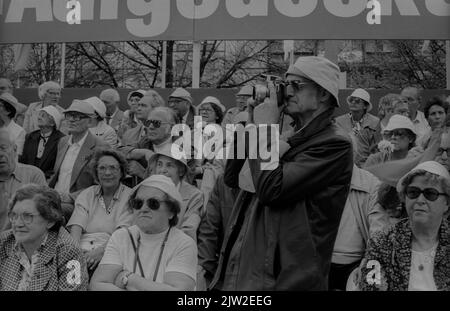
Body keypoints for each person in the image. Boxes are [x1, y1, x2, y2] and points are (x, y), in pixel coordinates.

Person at [210, 56, 353, 290]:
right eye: (285, 86)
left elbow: (270, 190)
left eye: (297, 86)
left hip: (289, 278)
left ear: (324, 94)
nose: (287, 93)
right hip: (254, 270)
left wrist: (265, 130)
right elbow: (233, 178)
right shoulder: (289, 136)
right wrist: (252, 123)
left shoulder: (334, 144)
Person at [89, 175, 197, 291]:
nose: (143, 209)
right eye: (138, 203)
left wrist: (129, 279)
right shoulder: (121, 236)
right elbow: (97, 285)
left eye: (153, 203)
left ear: (171, 211)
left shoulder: (184, 243)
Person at [358, 161, 450, 291]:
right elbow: (370, 287)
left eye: (430, 194)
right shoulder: (381, 243)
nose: (420, 200)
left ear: (447, 203)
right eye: (413, 192)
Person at [0, 184, 88, 291]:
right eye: (14, 215)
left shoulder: (69, 252)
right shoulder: (3, 242)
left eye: (27, 216)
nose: (17, 223)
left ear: (50, 220)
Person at [67, 149, 134, 275]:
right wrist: (76, 252)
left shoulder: (131, 196)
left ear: (121, 172)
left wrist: (100, 252)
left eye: (113, 168)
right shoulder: (87, 193)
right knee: (71, 277)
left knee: (96, 276)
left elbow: (123, 233)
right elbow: (76, 226)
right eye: (102, 168)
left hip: (113, 249)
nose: (107, 173)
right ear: (96, 173)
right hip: (83, 248)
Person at [49, 99, 109, 221]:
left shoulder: (100, 147)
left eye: (77, 117)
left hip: (77, 204)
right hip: (54, 198)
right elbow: (56, 175)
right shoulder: (63, 142)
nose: (71, 120)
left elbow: (101, 185)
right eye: (68, 115)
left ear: (90, 122)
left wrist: (70, 197)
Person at [329, 165, 381, 291]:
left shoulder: (370, 183)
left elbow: (379, 230)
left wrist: (369, 260)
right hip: (319, 262)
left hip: (358, 262)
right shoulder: (315, 178)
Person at [146, 144, 203, 241]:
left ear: (180, 171)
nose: (162, 170)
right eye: (159, 164)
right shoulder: (146, 191)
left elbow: (189, 231)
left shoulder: (194, 196)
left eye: (169, 165)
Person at [197, 174, 240, 290]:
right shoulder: (223, 182)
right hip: (223, 274)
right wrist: (205, 269)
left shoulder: (271, 184)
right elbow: (209, 227)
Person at [0, 129, 47, 232]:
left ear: (15, 149)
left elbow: (44, 215)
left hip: (26, 240)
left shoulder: (33, 175)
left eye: (3, 148)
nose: (0, 154)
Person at [194, 96, 227, 205]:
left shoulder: (223, 134)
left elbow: (219, 162)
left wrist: (201, 169)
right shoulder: (193, 133)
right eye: (202, 110)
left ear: (217, 115)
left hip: (210, 182)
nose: (204, 112)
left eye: (208, 110)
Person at [336, 89, 380, 167]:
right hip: (344, 165)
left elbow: (377, 149)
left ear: (365, 106)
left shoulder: (375, 122)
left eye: (357, 101)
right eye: (351, 100)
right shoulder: (339, 121)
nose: (353, 102)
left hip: (366, 166)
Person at [19, 106, 65, 179]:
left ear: (52, 123)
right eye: (39, 115)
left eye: (43, 115)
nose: (39, 117)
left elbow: (57, 167)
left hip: (47, 180)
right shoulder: (31, 136)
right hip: (27, 178)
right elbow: (23, 160)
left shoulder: (61, 139)